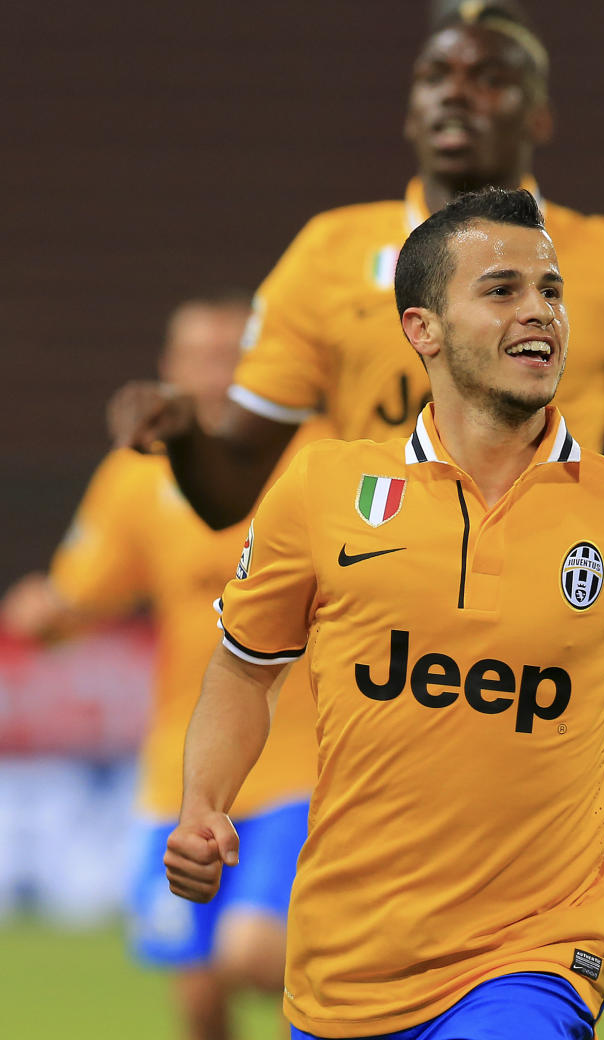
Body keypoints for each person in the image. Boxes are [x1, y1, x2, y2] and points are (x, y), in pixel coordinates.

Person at [163, 187, 604, 1040]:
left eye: (550, 290)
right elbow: (246, 665)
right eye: (502, 290)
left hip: (538, 953)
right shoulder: (324, 493)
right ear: (422, 328)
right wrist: (204, 802)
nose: (538, 310)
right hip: (347, 959)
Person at [108, 0, 604, 531]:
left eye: (489, 77)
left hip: (544, 622)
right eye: (436, 75)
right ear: (410, 111)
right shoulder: (328, 253)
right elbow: (230, 494)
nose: (455, 92)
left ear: (539, 116)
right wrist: (187, 433)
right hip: (381, 611)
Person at [1, 295, 324, 1040]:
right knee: (198, 993)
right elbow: (82, 592)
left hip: (299, 765)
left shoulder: (316, 458)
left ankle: (388, 994)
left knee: (256, 955)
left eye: (233, 356)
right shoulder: (138, 477)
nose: (217, 374)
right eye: (200, 358)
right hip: (180, 770)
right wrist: (46, 615)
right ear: (168, 372)